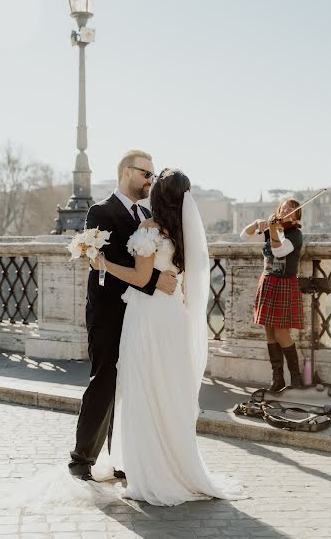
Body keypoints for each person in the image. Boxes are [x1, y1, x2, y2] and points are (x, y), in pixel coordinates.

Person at [92, 168, 245, 506]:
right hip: (173, 316)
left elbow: (140, 275)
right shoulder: (182, 233)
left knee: (145, 387)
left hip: (147, 316)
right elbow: (178, 279)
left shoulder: (150, 230)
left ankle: (151, 471)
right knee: (169, 390)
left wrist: (104, 263)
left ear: (159, 196)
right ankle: (177, 465)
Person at [68, 150, 178, 481]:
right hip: (107, 312)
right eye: (147, 174)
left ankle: (121, 457)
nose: (151, 181)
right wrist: (157, 280)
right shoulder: (100, 211)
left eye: (154, 176)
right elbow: (105, 260)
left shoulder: (146, 212)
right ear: (127, 172)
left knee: (130, 385)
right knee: (104, 381)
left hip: (139, 315)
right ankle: (82, 459)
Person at [240, 198, 304, 392]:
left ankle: (296, 377)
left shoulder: (295, 234)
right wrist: (256, 224)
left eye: (291, 209)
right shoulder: (271, 227)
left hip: (284, 284)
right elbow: (243, 236)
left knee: (281, 332)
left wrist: (274, 230)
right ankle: (277, 378)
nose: (286, 210)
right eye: (284, 207)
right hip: (268, 282)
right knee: (269, 331)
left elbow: (279, 251)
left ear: (296, 216)